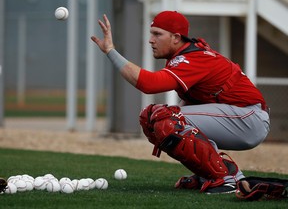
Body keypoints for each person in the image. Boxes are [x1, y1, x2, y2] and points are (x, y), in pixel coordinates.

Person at [91, 11, 270, 194]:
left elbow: (148, 84)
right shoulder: (182, 56)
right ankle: (208, 173)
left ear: (176, 37)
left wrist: (111, 51)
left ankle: (229, 178)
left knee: (165, 119)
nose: (151, 40)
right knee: (152, 118)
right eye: (151, 33)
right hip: (237, 116)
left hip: (249, 118)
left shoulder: (192, 58)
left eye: (158, 34)